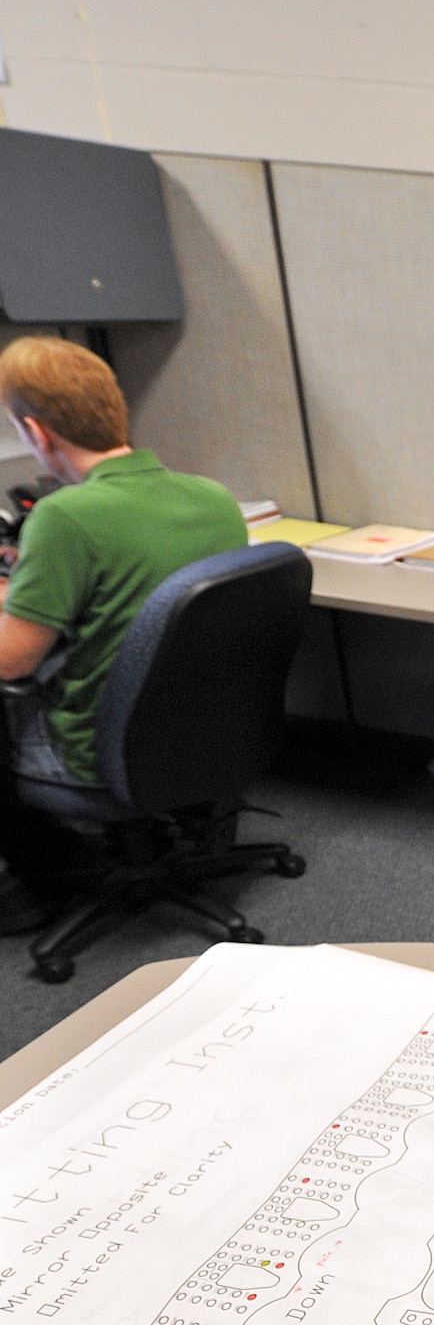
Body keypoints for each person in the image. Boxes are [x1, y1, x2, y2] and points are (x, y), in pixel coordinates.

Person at [0, 336, 246, 932]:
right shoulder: (213, 497)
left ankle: (32, 883)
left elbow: (11, 662)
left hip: (99, 752)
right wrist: (28, 584)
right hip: (209, 733)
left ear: (36, 432)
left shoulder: (64, 517)